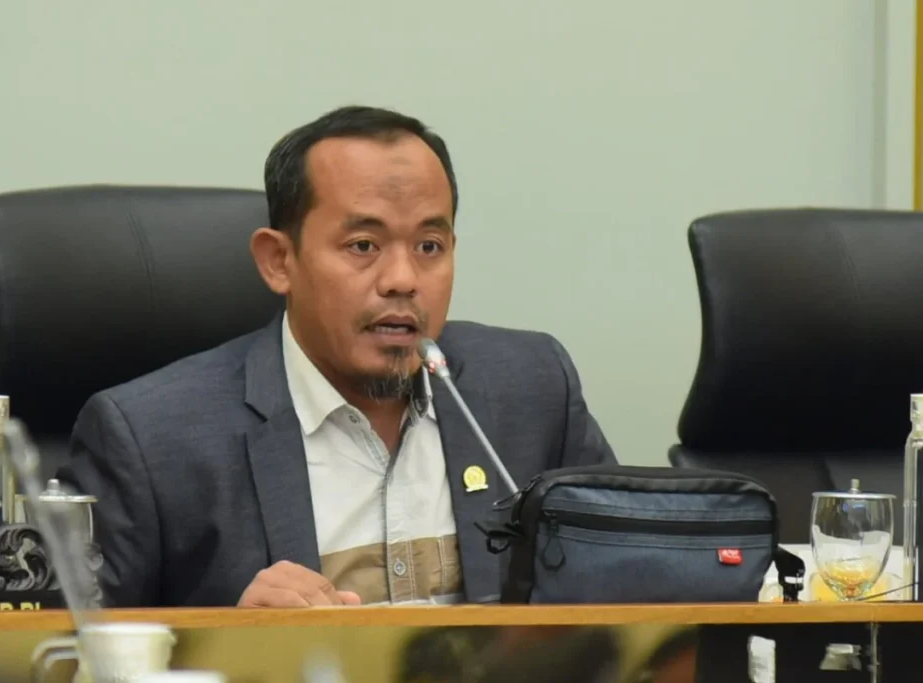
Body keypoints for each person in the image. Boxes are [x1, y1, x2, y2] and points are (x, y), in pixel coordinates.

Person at [59, 105, 616, 608]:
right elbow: (70, 658)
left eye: (429, 246)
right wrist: (231, 646)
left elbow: (627, 589)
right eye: (363, 246)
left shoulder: (533, 388)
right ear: (279, 261)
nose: (403, 279)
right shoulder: (152, 440)